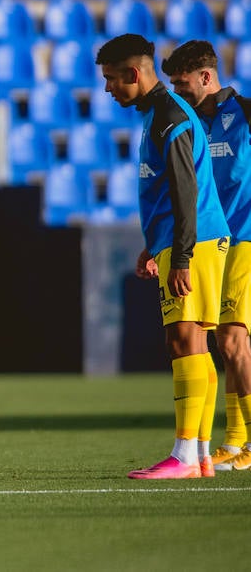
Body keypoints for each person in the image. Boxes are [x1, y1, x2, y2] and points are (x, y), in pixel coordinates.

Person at [97, 33, 229, 479]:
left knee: (184, 342)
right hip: (191, 240)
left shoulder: (167, 117)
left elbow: (185, 190)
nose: (108, 89)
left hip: (195, 242)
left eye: (113, 79)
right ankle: (203, 453)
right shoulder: (160, 115)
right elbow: (170, 193)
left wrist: (182, 257)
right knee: (196, 345)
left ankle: (184, 455)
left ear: (134, 74)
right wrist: (155, 246)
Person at [164, 39, 251, 472]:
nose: (178, 92)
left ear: (206, 76)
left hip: (246, 240)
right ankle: (236, 442)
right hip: (213, 244)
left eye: (183, 84)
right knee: (223, 342)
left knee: (233, 340)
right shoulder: (189, 124)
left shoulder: (247, 114)